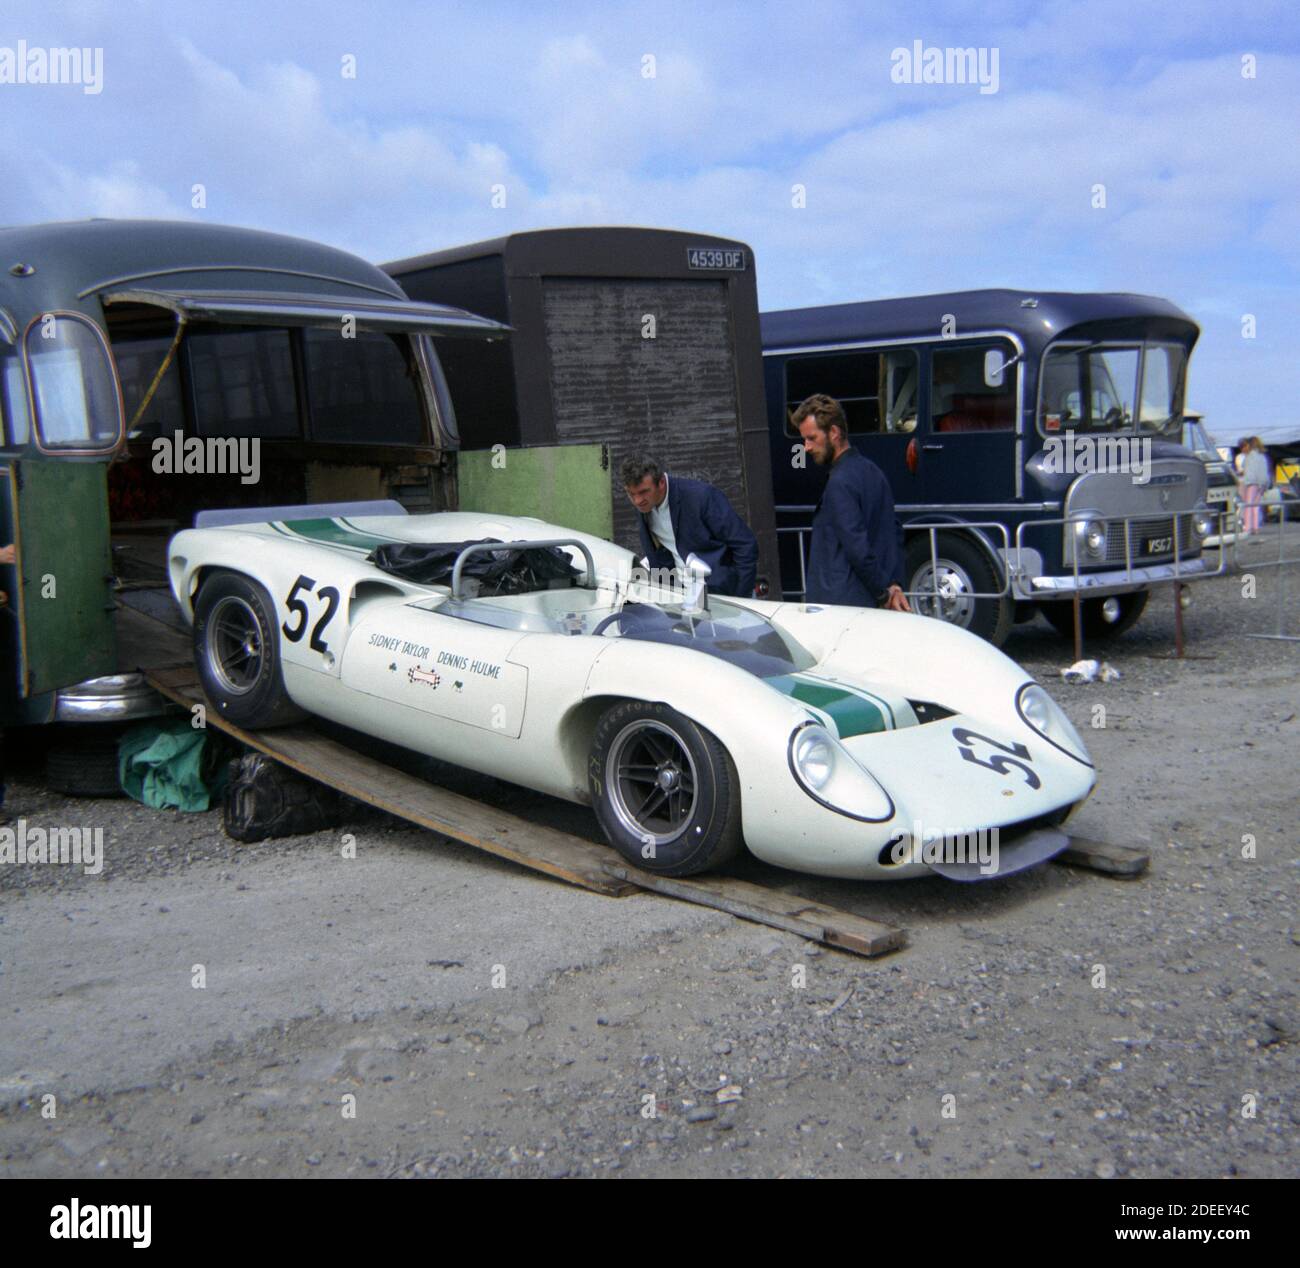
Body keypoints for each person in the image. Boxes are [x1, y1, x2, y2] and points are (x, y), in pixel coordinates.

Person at [792, 394, 910, 611]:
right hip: (866, 601)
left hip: (842, 605)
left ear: (834, 433)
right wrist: (894, 584)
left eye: (811, 438)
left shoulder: (839, 482)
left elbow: (857, 548)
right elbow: (893, 532)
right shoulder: (874, 472)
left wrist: (883, 593)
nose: (806, 447)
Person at [620, 456, 758, 598]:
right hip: (682, 597)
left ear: (661, 482)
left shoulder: (701, 496)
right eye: (631, 494)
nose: (637, 500)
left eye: (643, 492)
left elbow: (745, 545)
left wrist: (741, 596)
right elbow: (661, 552)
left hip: (725, 595)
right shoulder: (645, 506)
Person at [1240, 437, 1270, 536]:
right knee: (1256, 506)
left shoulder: (1250, 457)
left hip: (1252, 483)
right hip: (1262, 484)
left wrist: (1245, 483)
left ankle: (1247, 528)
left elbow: (1247, 470)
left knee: (1248, 505)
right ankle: (1256, 527)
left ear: (1249, 445)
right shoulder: (1262, 456)